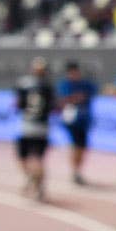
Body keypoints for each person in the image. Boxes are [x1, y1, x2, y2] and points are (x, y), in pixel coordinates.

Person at [15, 57, 55, 202]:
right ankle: (39, 185)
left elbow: (18, 104)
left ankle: (32, 179)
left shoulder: (23, 84)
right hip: (42, 127)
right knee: (38, 159)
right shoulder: (48, 86)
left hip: (27, 126)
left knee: (24, 158)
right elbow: (53, 106)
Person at [55, 59, 97, 186]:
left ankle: (77, 171)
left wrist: (74, 98)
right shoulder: (65, 85)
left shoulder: (86, 84)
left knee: (83, 147)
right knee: (75, 145)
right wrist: (74, 98)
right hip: (71, 120)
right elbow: (62, 101)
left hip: (84, 120)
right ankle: (74, 171)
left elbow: (91, 93)